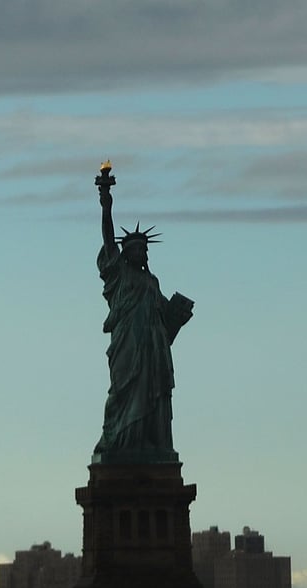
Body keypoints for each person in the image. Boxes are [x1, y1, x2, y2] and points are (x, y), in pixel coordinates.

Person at [93, 180, 192, 463]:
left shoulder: (152, 281)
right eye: (135, 250)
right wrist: (106, 205)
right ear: (127, 254)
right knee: (122, 390)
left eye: (143, 250)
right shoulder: (119, 275)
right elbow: (108, 241)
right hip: (127, 342)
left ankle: (150, 441)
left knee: (151, 393)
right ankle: (117, 439)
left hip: (152, 346)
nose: (140, 253)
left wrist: (179, 314)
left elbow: (164, 315)